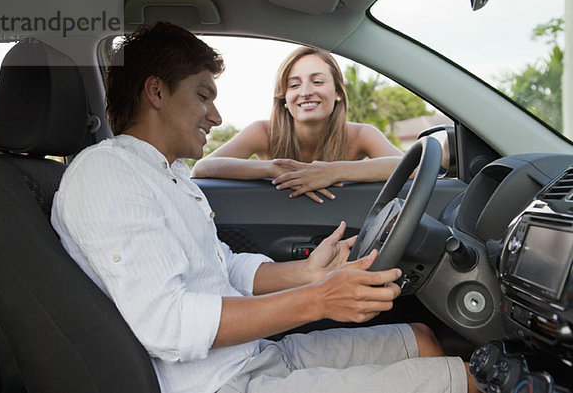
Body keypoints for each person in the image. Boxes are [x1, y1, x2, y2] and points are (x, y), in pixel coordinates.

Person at [51, 22, 477, 393]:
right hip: (219, 383)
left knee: (421, 337)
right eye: (204, 95)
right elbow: (170, 324)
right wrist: (319, 300)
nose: (215, 117)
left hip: (250, 357)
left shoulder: (171, 175)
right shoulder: (107, 173)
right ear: (156, 92)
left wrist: (307, 273)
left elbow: (223, 268)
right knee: (466, 381)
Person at [191, 46, 405, 203]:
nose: (305, 92)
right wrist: (274, 168)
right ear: (285, 97)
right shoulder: (262, 131)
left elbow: (410, 167)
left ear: (338, 92)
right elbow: (203, 168)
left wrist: (334, 171)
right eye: (294, 85)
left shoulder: (362, 135)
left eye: (318, 81)